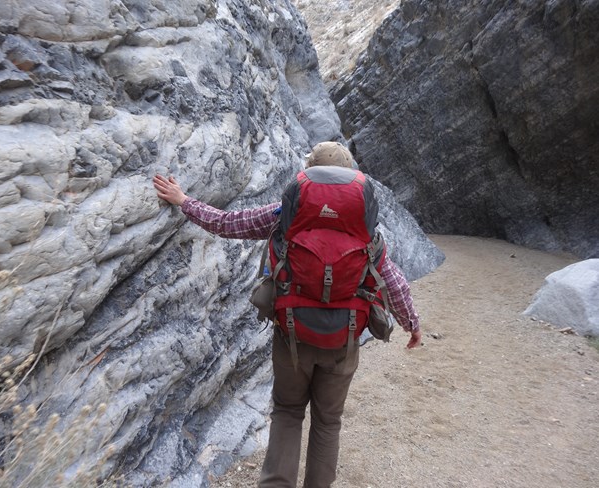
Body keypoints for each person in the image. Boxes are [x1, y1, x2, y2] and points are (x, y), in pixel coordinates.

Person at [153, 141, 421, 488]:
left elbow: (227, 223)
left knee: (288, 412)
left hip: (292, 333)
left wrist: (183, 201)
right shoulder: (366, 230)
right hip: (344, 339)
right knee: (327, 422)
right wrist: (411, 324)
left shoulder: (287, 214)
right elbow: (394, 282)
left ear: (307, 172)